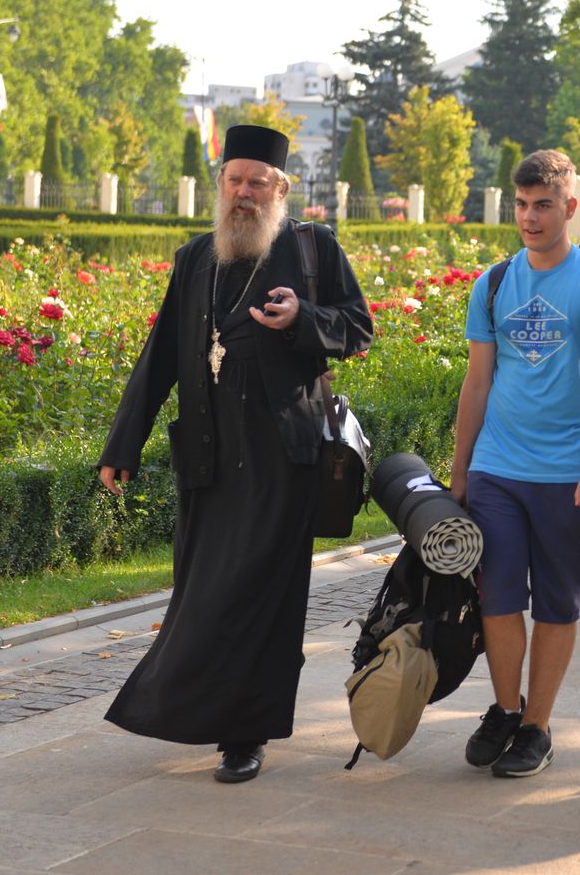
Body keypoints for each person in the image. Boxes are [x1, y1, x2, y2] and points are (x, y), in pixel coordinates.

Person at [98, 125, 374, 784]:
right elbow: (162, 355)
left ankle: (245, 734)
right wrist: (123, 444)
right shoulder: (196, 258)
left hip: (283, 461)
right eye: (234, 181)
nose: (244, 193)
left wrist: (304, 317)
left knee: (261, 603)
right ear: (220, 186)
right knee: (204, 596)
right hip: (208, 459)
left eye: (258, 182)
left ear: (281, 189)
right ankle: (202, 713)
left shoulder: (312, 248)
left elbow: (357, 327)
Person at [452, 150, 580, 778]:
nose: (529, 218)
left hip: (568, 471)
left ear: (571, 208)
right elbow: (477, 382)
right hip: (498, 468)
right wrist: (460, 471)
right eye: (522, 205)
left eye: (543, 206)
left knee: (557, 602)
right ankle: (506, 708)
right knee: (497, 597)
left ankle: (537, 727)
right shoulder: (495, 283)